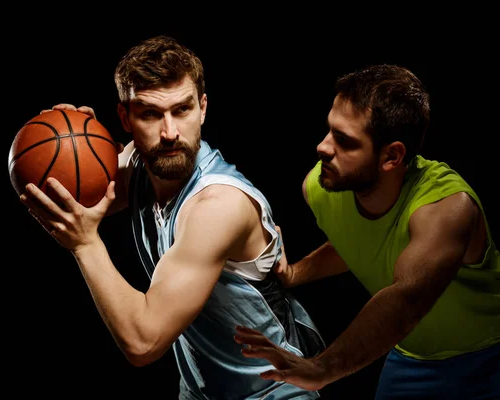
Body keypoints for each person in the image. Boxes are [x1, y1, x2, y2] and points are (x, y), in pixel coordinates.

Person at [18, 35, 325, 399]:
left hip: (273, 394)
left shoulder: (218, 205)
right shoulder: (141, 165)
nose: (169, 133)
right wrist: (74, 142)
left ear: (203, 109)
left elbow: (143, 342)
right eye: (150, 113)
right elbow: (64, 194)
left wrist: (85, 245)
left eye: (182, 109)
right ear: (125, 118)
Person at [233, 64, 500, 399]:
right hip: (413, 358)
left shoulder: (448, 208)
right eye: (329, 130)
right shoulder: (320, 188)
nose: (323, 147)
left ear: (392, 156)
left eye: (345, 141)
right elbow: (357, 242)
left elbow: (406, 299)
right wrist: (294, 273)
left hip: (498, 355)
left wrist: (322, 368)